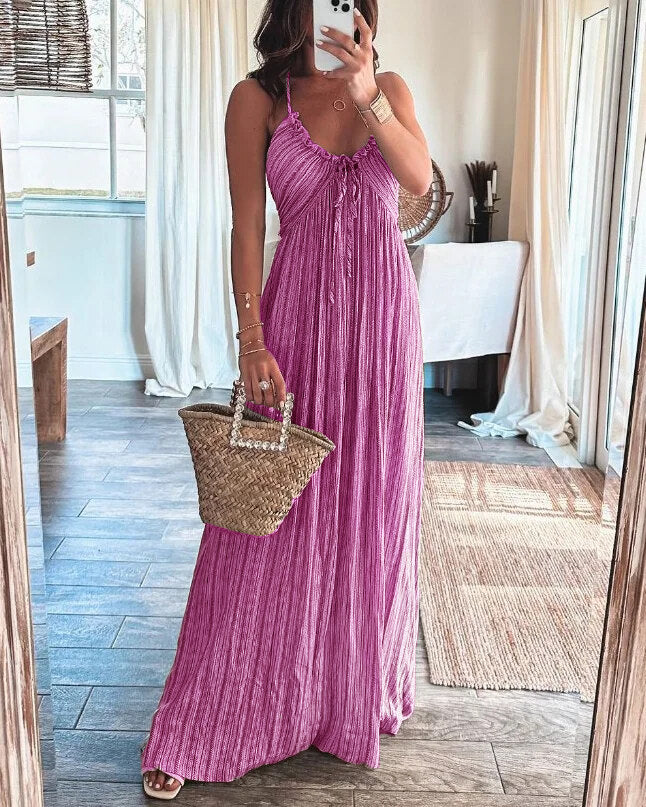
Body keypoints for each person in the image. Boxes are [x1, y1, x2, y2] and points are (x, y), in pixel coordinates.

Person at [141, 0, 431, 797]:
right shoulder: (259, 100)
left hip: (382, 331)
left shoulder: (389, 89)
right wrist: (249, 339)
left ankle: (339, 695)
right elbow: (245, 227)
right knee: (265, 518)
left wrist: (368, 95)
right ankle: (209, 712)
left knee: (369, 504)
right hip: (294, 327)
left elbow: (417, 180)